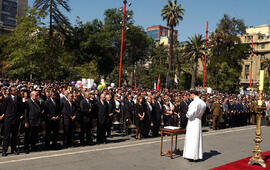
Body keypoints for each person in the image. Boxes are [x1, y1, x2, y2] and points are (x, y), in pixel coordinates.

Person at [183, 90, 206, 161]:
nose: (190, 96)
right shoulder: (202, 102)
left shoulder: (194, 102)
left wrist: (187, 114)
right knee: (197, 138)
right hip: (198, 120)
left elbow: (190, 113)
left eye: (190, 95)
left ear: (193, 94)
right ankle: (197, 155)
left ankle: (191, 155)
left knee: (191, 138)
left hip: (193, 121)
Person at [2, 86, 23, 156]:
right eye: (14, 90)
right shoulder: (7, 99)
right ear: (10, 92)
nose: (15, 91)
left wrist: (20, 115)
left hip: (16, 119)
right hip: (8, 120)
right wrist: (4, 116)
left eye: (16, 90)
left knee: (14, 135)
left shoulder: (19, 98)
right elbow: (3, 109)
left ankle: (13, 149)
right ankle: (4, 150)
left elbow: (20, 108)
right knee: (6, 136)